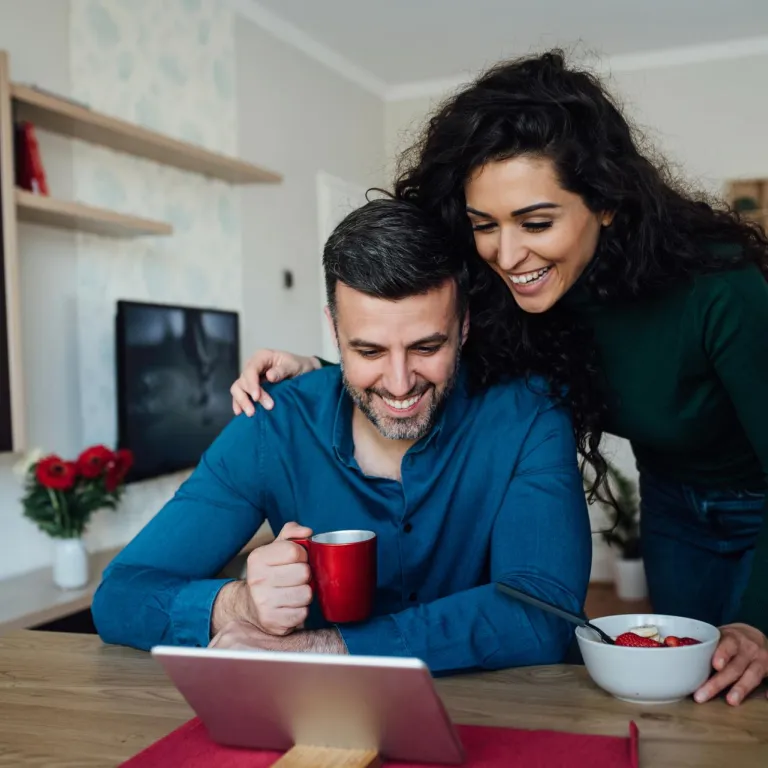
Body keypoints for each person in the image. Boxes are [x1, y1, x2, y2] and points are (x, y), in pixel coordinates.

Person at [229, 51, 768, 704]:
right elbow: (421, 349)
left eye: (536, 222)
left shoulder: (721, 291)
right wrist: (328, 375)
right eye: (486, 226)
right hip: (676, 507)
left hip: (757, 499)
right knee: (695, 694)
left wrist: (757, 621)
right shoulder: (513, 296)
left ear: (605, 203)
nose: (508, 256)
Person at [92, 198, 592, 674]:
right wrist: (237, 603)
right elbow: (120, 597)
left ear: (463, 326)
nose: (400, 383)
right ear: (333, 330)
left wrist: (324, 649)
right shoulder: (273, 422)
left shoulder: (531, 416)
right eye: (370, 351)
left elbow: (542, 614)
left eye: (426, 346)